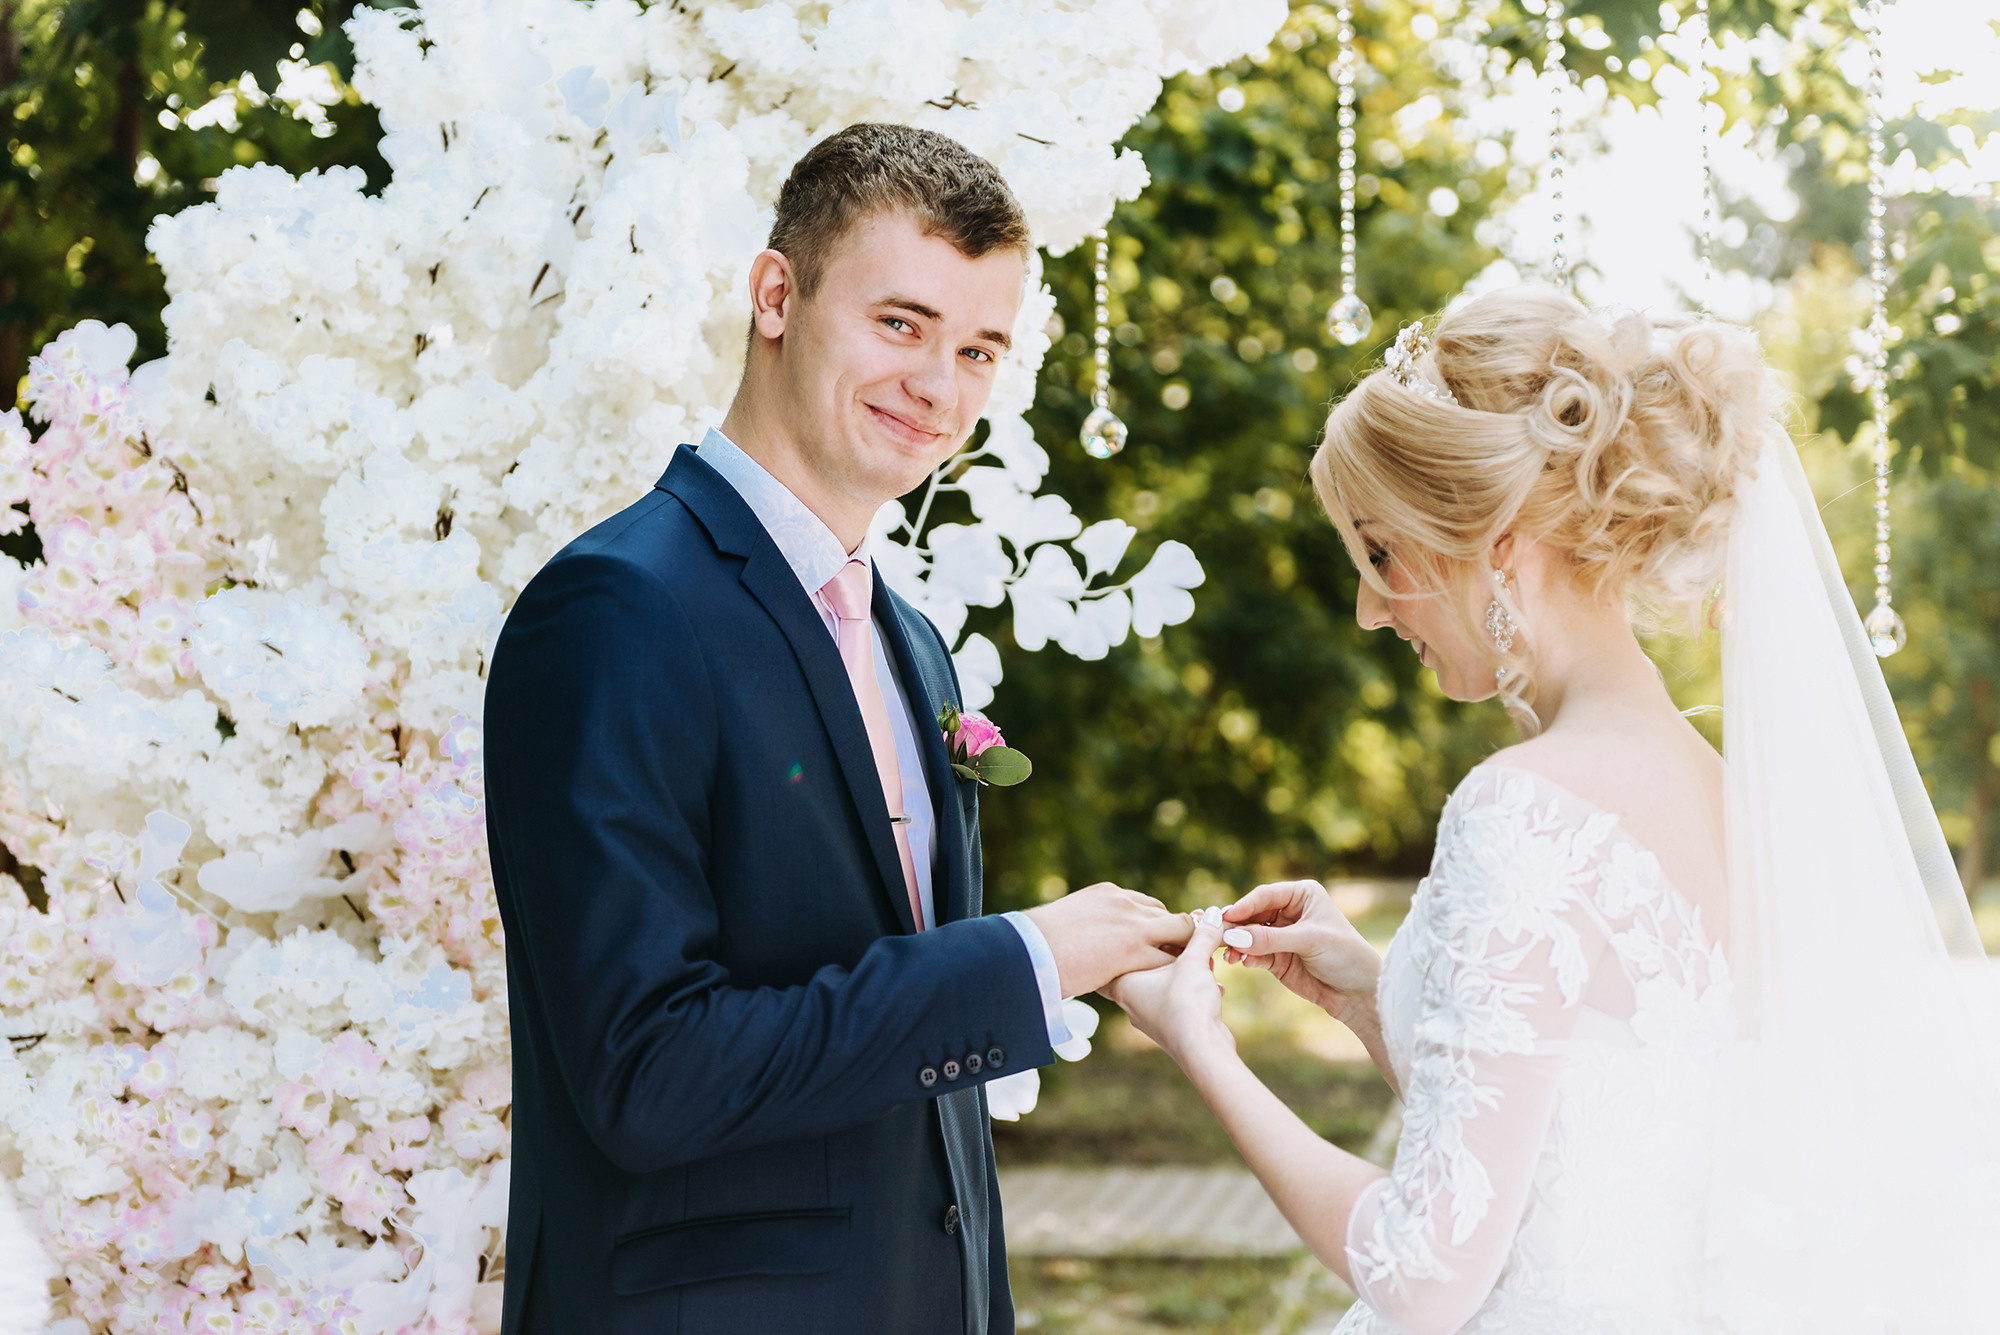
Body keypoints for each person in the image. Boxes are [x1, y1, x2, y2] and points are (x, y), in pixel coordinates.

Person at [1106, 286, 2000, 1333]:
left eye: (1380, 554)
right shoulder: (1718, 792)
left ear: (1493, 541)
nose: (1366, 604)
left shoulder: (1520, 809)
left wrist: (1199, 1046)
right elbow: (1570, 1144)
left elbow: (1426, 1274)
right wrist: (1367, 994)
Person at [483, 122, 1192, 1335]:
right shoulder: (616, 608)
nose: (938, 387)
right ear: (776, 295)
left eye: (977, 349)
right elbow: (647, 1074)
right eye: (900, 324)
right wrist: (1022, 961)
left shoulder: (909, 642)